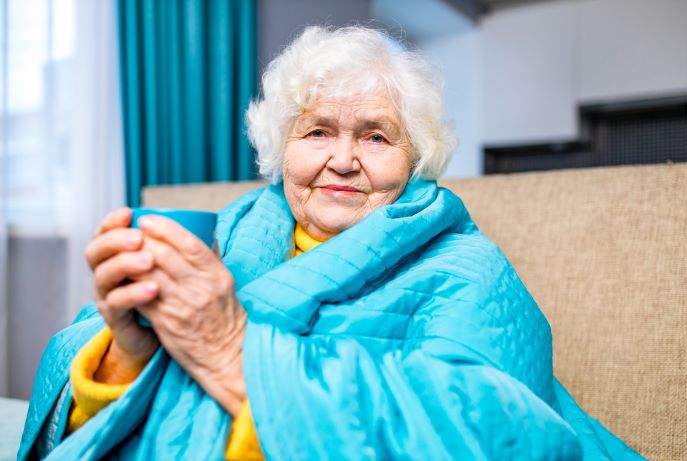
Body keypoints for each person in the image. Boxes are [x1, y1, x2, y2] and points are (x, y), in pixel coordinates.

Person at [19, 26, 643, 460]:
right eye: (317, 131)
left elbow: (494, 431)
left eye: (375, 137)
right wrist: (127, 352)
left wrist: (233, 350)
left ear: (416, 158)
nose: (342, 160)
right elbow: (68, 373)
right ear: (279, 148)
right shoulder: (229, 234)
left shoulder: (467, 266)